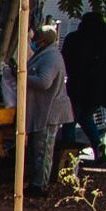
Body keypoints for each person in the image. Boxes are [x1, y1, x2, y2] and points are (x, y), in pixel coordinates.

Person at [62, 12, 106, 164]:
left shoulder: (74, 38)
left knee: (70, 120)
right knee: (85, 117)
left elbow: (65, 60)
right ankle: (97, 144)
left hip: (77, 85)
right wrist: (103, 68)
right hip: (99, 88)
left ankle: (68, 156)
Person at [25, 23, 73, 194]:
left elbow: (44, 82)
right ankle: (38, 182)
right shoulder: (46, 54)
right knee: (40, 148)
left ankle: (40, 185)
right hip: (43, 109)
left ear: (43, 41)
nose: (34, 42)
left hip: (49, 111)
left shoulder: (51, 57)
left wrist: (22, 76)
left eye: (36, 39)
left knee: (44, 149)